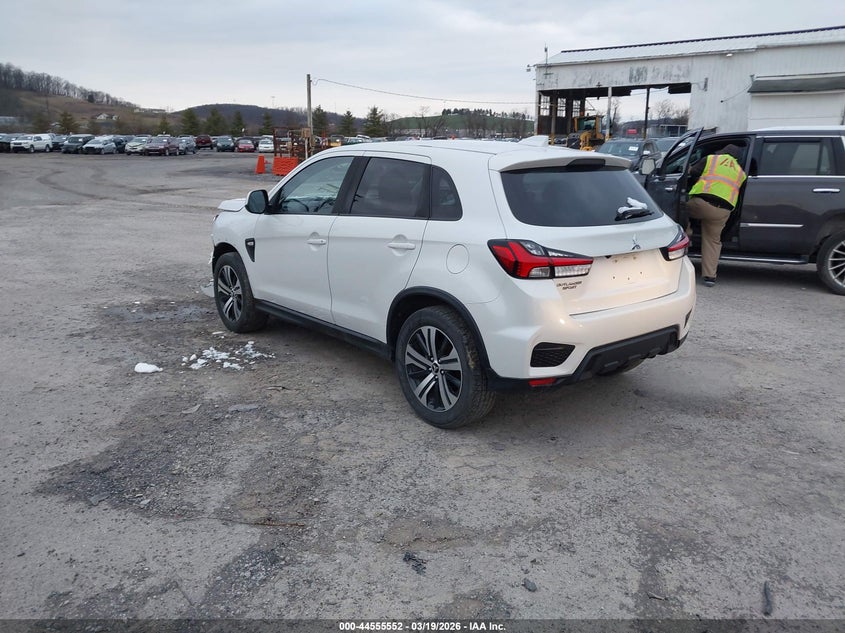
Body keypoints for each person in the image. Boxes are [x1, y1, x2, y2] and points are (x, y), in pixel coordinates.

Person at [686, 144, 747, 287]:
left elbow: (692, 172)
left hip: (701, 204)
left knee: (678, 211)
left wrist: (688, 167)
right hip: (722, 211)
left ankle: (686, 235)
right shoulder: (741, 173)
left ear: (722, 152)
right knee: (713, 241)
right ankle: (709, 277)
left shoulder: (711, 159)